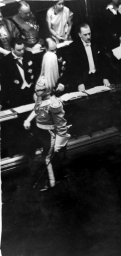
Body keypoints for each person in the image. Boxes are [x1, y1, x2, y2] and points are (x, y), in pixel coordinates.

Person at [23, 54, 71, 191]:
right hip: (46, 127)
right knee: (49, 156)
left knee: (50, 155)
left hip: (49, 126)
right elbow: (39, 105)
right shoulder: (44, 82)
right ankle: (52, 182)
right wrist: (29, 119)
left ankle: (53, 182)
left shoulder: (47, 82)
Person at [68, 23, 111, 91]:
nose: (88, 37)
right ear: (79, 35)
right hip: (84, 79)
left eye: (89, 34)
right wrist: (80, 82)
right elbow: (74, 67)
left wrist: (105, 77)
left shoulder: (96, 43)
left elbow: (103, 62)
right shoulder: (74, 47)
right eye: (85, 35)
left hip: (97, 76)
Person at [0, 38, 37, 109]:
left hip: (31, 91)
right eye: (19, 50)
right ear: (12, 49)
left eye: (23, 48)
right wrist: (1, 102)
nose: (22, 51)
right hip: (16, 94)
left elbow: (36, 73)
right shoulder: (4, 61)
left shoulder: (29, 55)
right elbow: (4, 83)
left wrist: (36, 91)